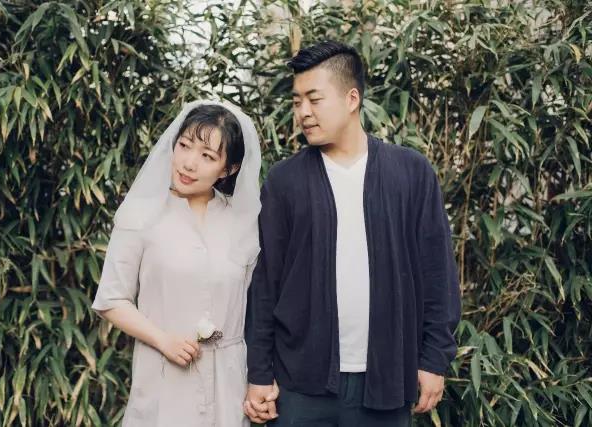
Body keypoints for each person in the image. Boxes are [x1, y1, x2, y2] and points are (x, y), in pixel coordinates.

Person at [244, 41, 461, 426]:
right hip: (300, 384)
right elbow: (265, 284)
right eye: (297, 101)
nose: (303, 112)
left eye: (314, 99)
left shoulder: (410, 173)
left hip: (386, 380)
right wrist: (259, 372)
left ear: (352, 99)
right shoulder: (284, 181)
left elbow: (438, 274)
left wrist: (433, 360)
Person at [92, 100, 267, 426]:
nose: (189, 163)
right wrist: (163, 340)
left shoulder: (243, 221)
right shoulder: (141, 215)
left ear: (228, 169)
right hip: (165, 376)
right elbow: (111, 299)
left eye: (207, 156)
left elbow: (259, 306)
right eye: (185, 146)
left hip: (229, 381)